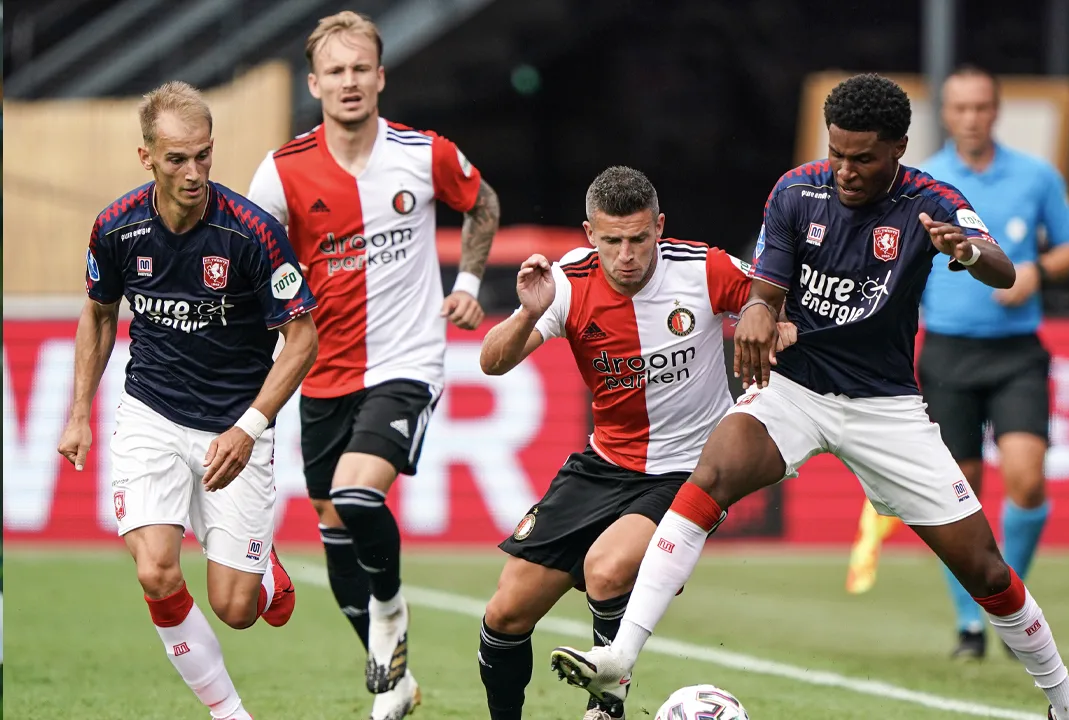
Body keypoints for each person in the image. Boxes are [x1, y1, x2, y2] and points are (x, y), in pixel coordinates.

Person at [550, 74, 1069, 720]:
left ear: (898, 148)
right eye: (837, 152)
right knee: (714, 471)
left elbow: (1001, 266)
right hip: (796, 387)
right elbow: (766, 288)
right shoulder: (796, 191)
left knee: (984, 568)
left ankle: (1068, 707)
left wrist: (970, 253)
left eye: (863, 157)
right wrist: (758, 311)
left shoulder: (931, 200)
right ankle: (619, 661)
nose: (845, 170)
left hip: (885, 406)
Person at [247, 11, 501, 720]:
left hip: (405, 361)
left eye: (362, 68)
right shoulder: (283, 170)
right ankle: (396, 682)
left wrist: (469, 285)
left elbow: (482, 204)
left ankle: (390, 610)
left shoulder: (423, 155)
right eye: (337, 71)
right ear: (315, 83)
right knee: (331, 524)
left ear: (381, 76)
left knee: (360, 497)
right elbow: (249, 254)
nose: (350, 81)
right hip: (320, 373)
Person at [476, 166, 794, 720]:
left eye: (639, 238)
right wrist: (529, 310)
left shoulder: (704, 269)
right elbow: (492, 362)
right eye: (612, 240)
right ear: (589, 233)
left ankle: (608, 706)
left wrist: (777, 322)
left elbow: (774, 301)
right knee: (505, 614)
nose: (627, 255)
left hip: (691, 471)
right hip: (603, 465)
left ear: (659, 228)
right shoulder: (567, 283)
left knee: (606, 567)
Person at [56, 81, 319, 720]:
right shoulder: (117, 229)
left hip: (235, 425)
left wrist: (251, 426)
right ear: (147, 157)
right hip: (151, 411)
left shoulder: (251, 232)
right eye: (177, 159)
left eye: (204, 155)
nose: (195, 172)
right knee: (155, 572)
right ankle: (230, 713)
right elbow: (98, 314)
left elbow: (303, 337)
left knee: (236, 610)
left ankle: (263, 571)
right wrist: (77, 412)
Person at [844, 65, 1069, 661]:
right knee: (960, 495)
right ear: (946, 116)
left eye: (981, 107)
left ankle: (1012, 597)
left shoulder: (1035, 176)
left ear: (996, 111)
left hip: (1015, 352)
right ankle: (972, 626)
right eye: (960, 108)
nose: (971, 118)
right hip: (947, 353)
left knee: (1027, 480)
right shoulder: (921, 183)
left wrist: (1035, 270)